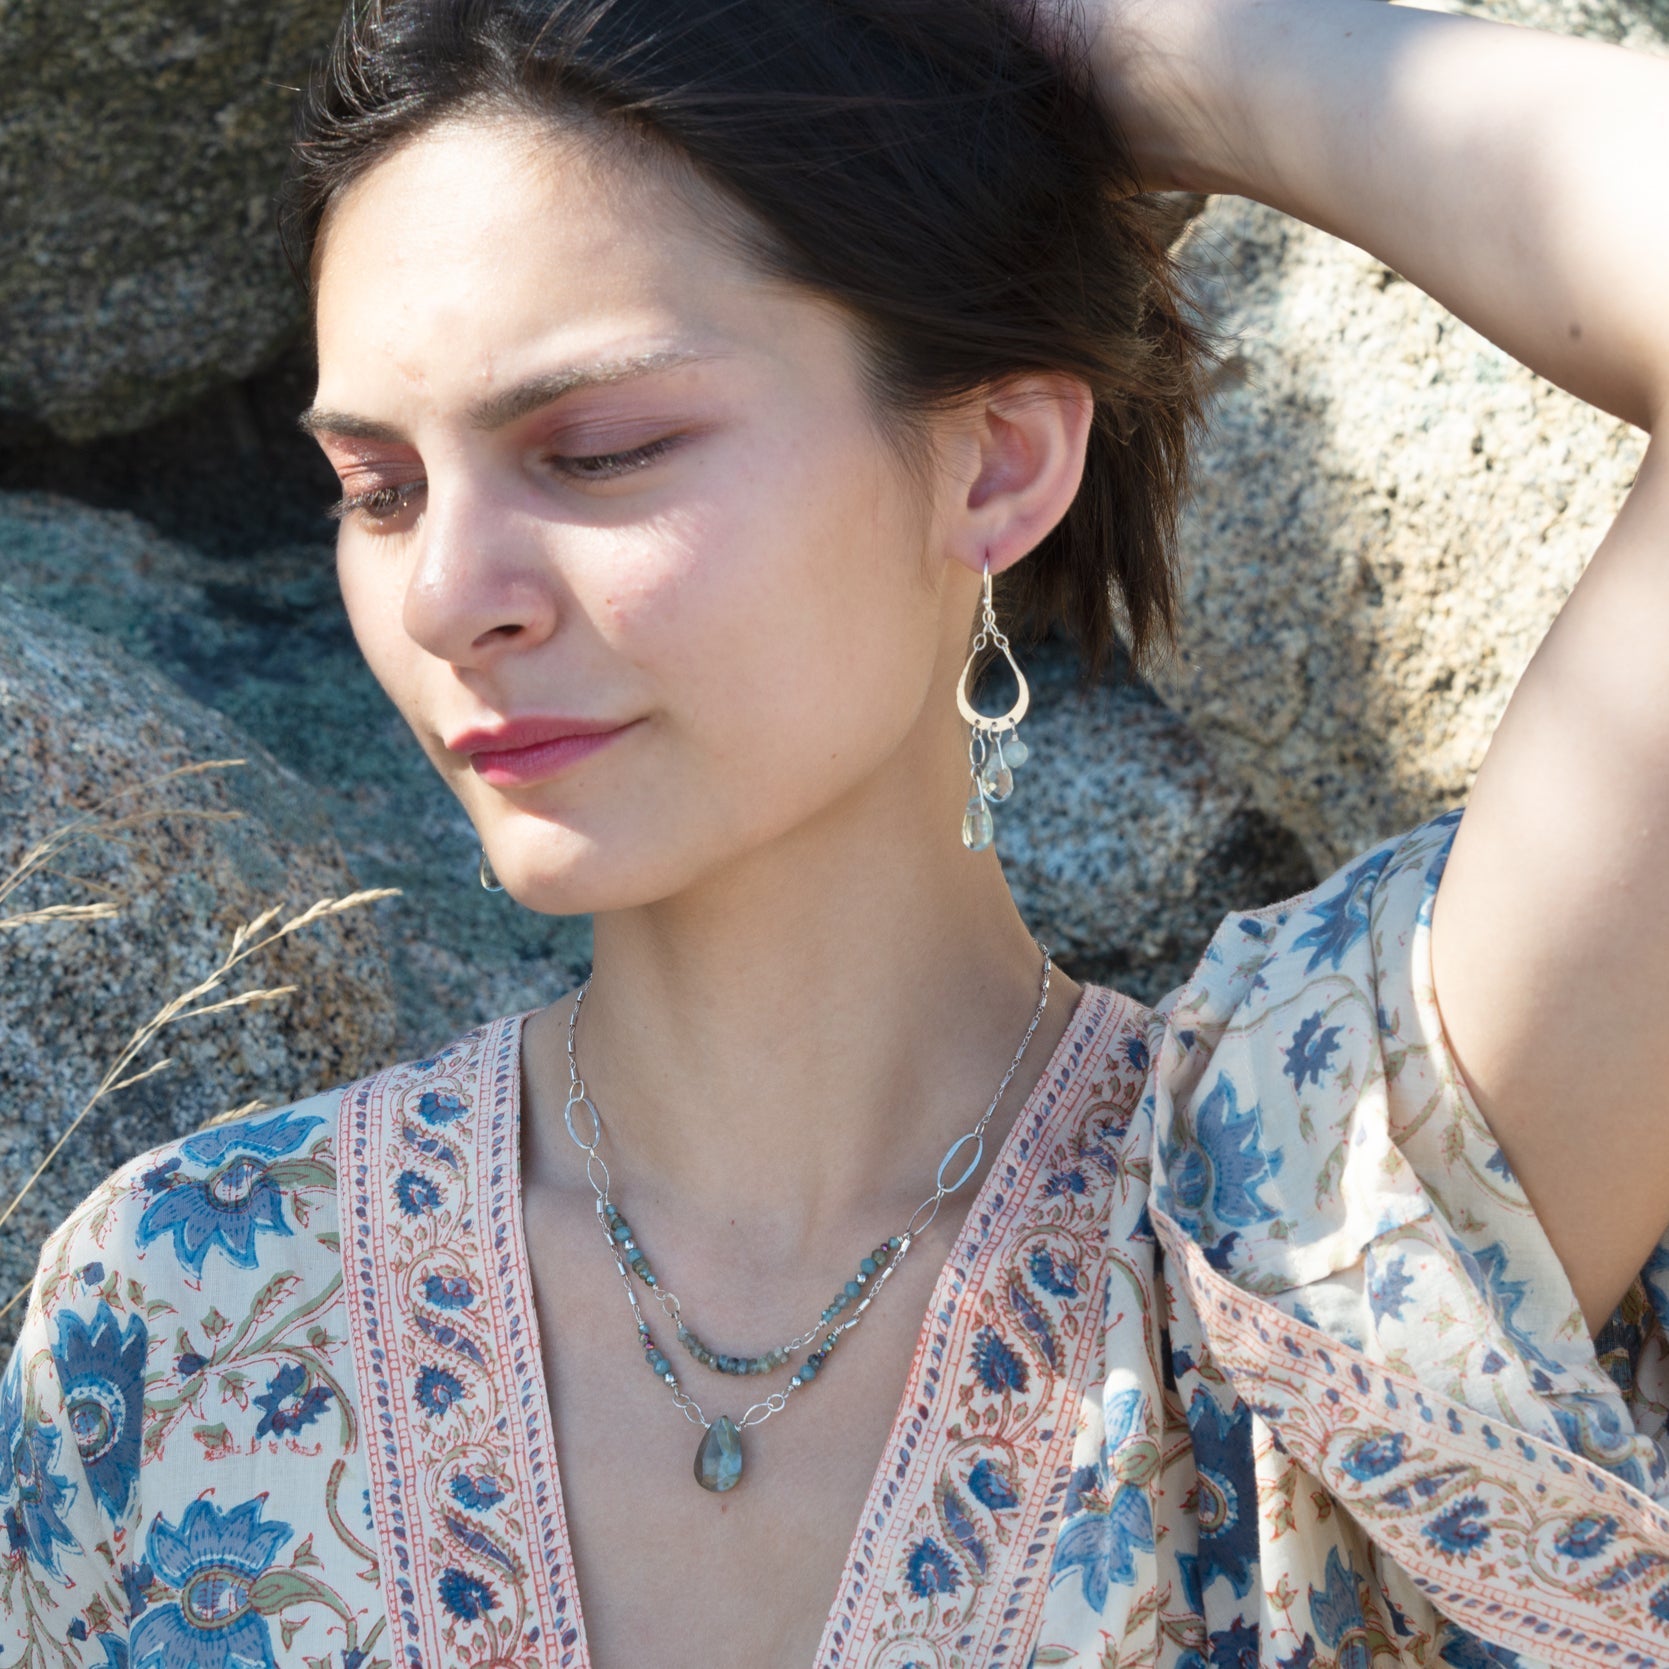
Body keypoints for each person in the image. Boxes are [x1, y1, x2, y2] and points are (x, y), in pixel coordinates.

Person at [4, 0, 1668, 1663]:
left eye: (598, 451)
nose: (445, 594)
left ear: (995, 462)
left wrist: (1096, 46)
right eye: (380, 489)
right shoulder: (181, 1316)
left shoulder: (1318, 1228)